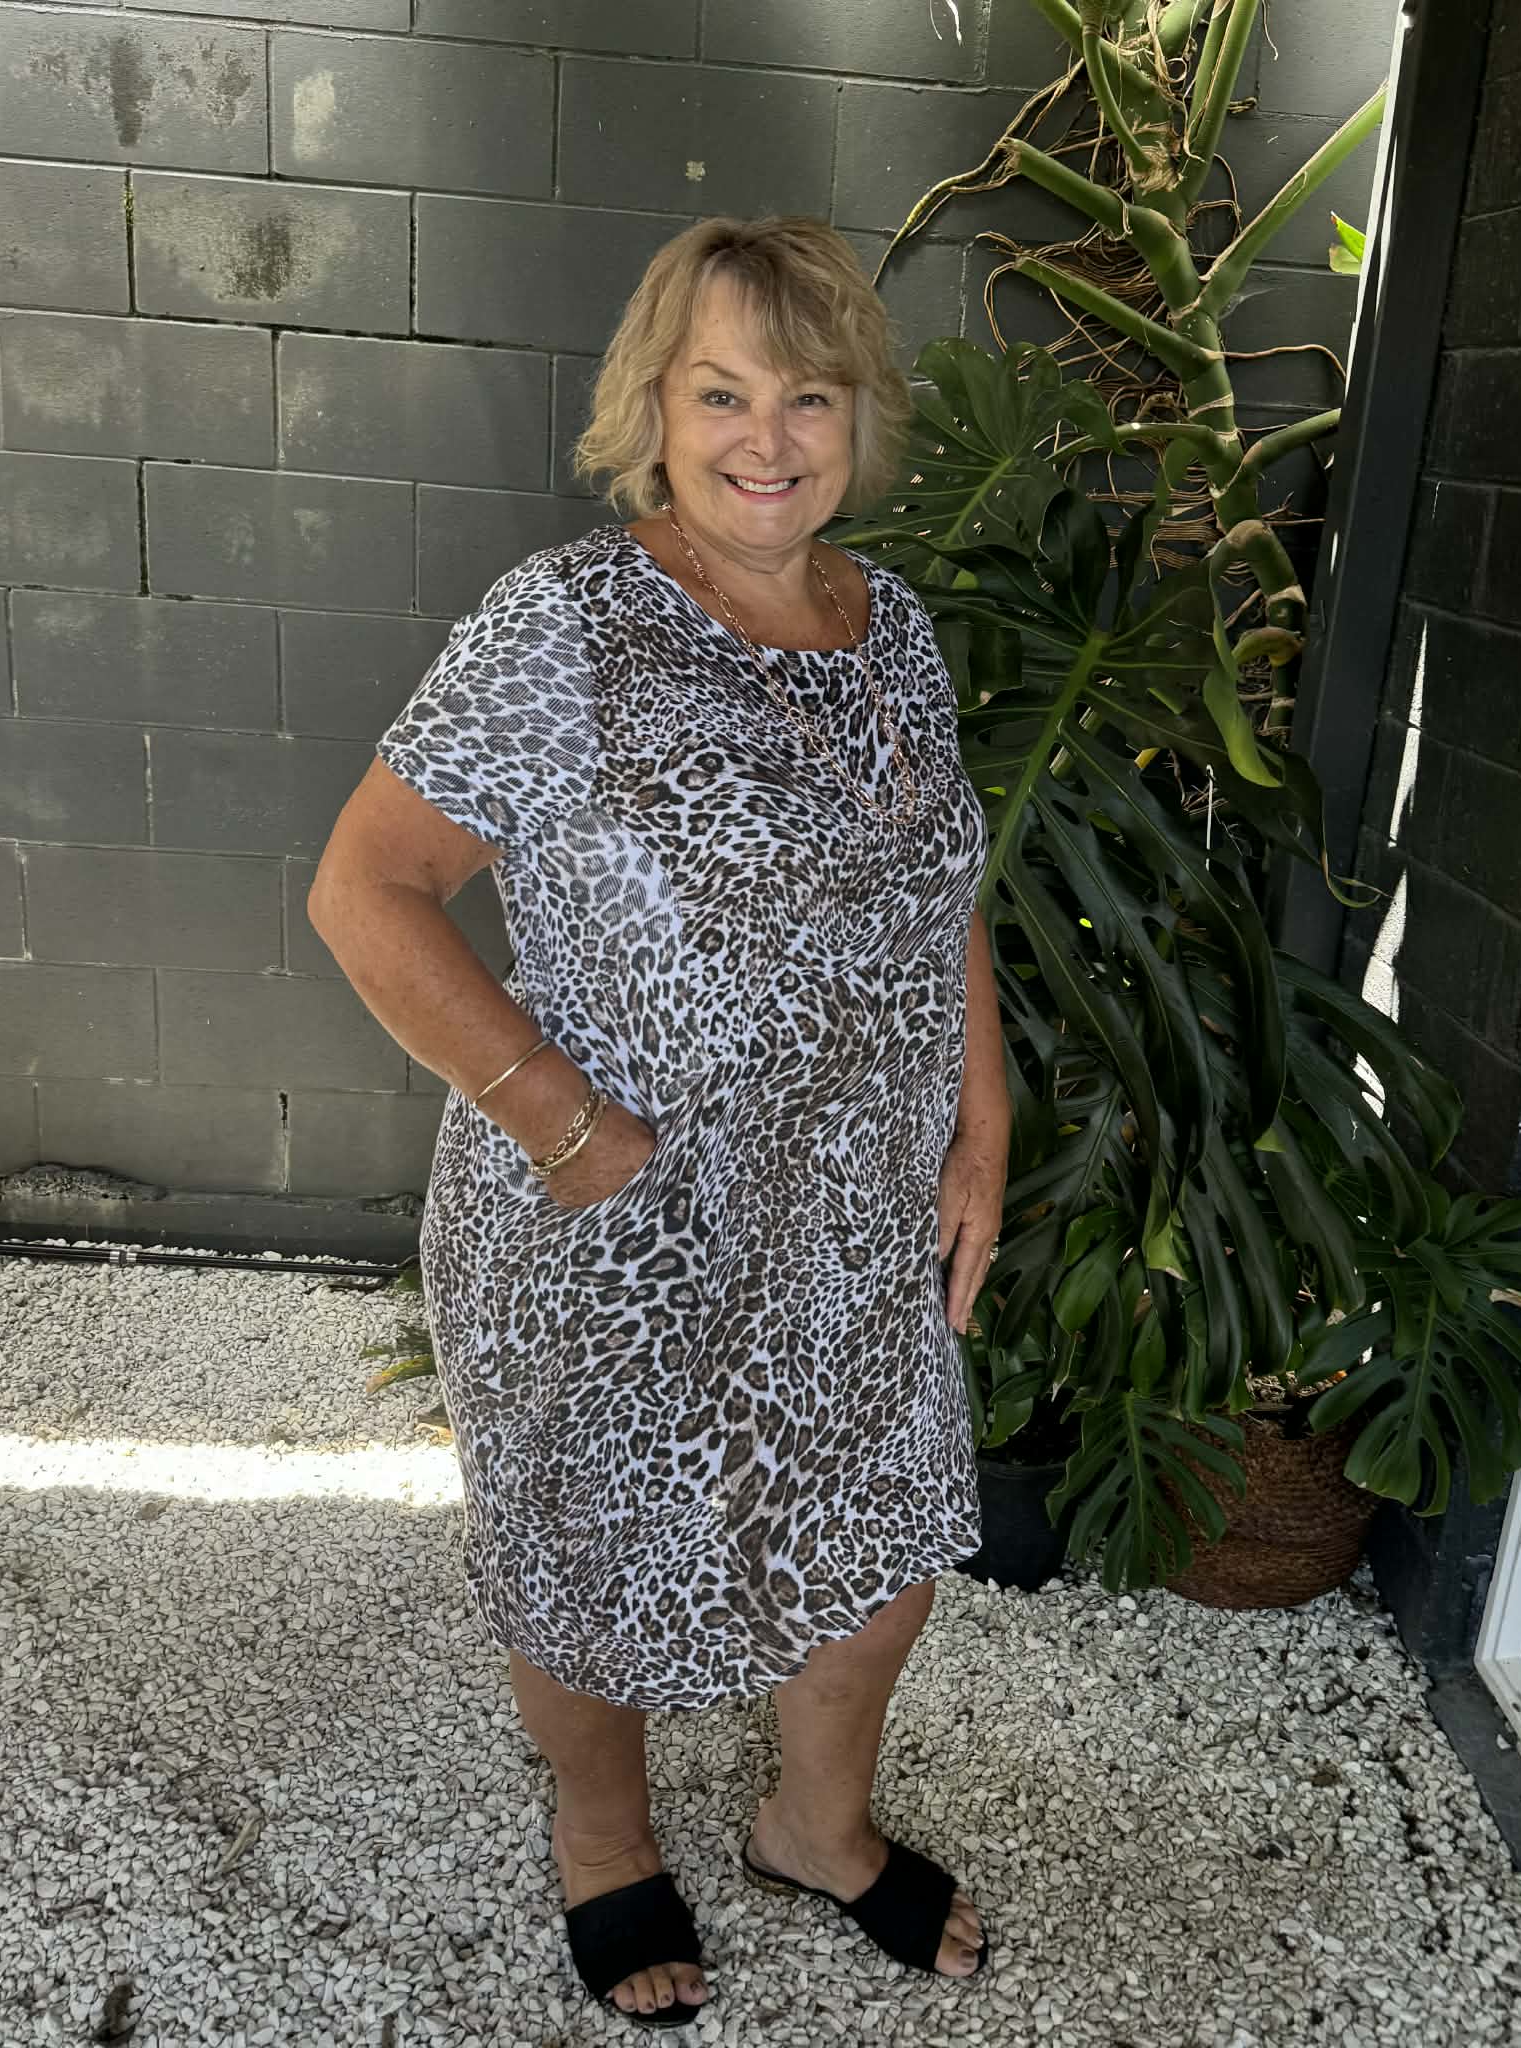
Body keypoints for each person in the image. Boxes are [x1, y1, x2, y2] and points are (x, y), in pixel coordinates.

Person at [310, 214, 1011, 2030]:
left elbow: (943, 892)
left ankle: (815, 1826)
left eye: (807, 393)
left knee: (881, 1548)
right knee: (592, 1561)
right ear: (654, 406)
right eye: (720, 392)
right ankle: (606, 1837)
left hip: (849, 1218)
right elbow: (368, 891)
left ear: (859, 417)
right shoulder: (567, 624)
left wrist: (979, 1118)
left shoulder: (892, 623)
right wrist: (566, 1127)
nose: (765, 436)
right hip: (608, 1228)